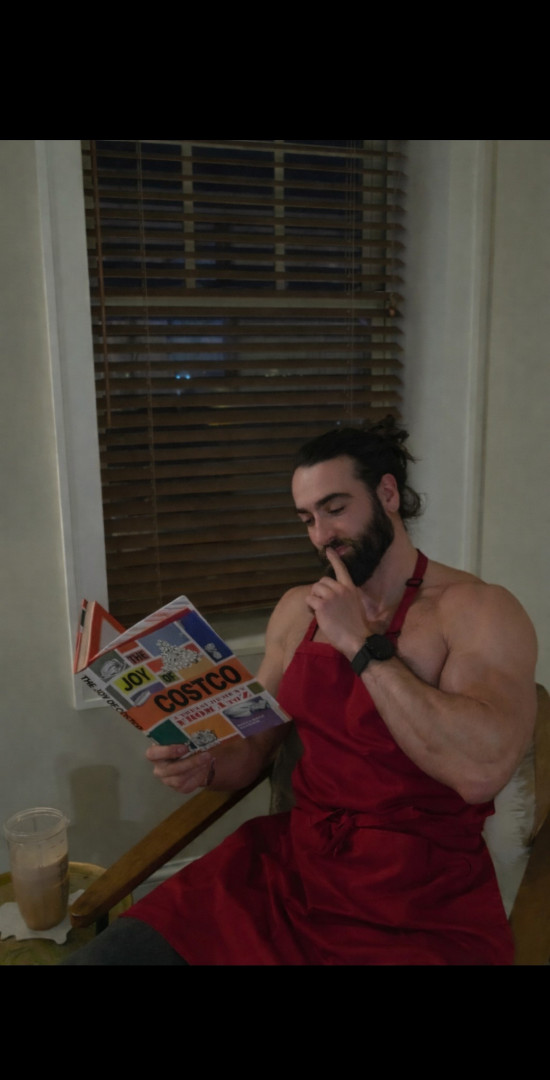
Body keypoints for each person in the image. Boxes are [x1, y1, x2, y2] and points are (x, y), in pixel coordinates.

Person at [62, 417, 537, 965]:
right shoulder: (297, 612)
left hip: (418, 895)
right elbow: (253, 748)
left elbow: (480, 772)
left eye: (335, 509)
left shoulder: (479, 610)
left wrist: (359, 642)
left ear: (387, 494)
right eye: (308, 518)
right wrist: (206, 763)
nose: (321, 535)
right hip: (291, 870)